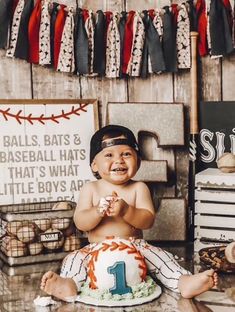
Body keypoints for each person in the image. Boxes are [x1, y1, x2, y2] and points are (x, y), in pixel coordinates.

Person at [40, 124, 218, 301]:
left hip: (135, 246)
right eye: (109, 155)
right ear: (94, 165)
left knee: (161, 258)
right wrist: (97, 212)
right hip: (95, 248)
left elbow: (147, 220)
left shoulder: (138, 188)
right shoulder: (91, 188)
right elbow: (80, 222)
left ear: (138, 161)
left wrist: (127, 210)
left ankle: (182, 281)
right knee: (74, 259)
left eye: (126, 154)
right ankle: (68, 284)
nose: (118, 160)